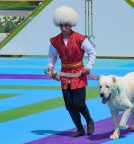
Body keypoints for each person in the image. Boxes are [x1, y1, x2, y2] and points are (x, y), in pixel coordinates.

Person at [46, 5, 96, 137]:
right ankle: (80, 129)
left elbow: (92, 53)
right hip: (64, 76)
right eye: (61, 26)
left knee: (79, 103)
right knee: (69, 106)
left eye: (66, 25)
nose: (63, 28)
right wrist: (50, 67)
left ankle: (89, 120)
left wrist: (88, 67)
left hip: (79, 75)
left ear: (71, 25)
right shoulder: (55, 40)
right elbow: (52, 56)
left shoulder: (80, 38)